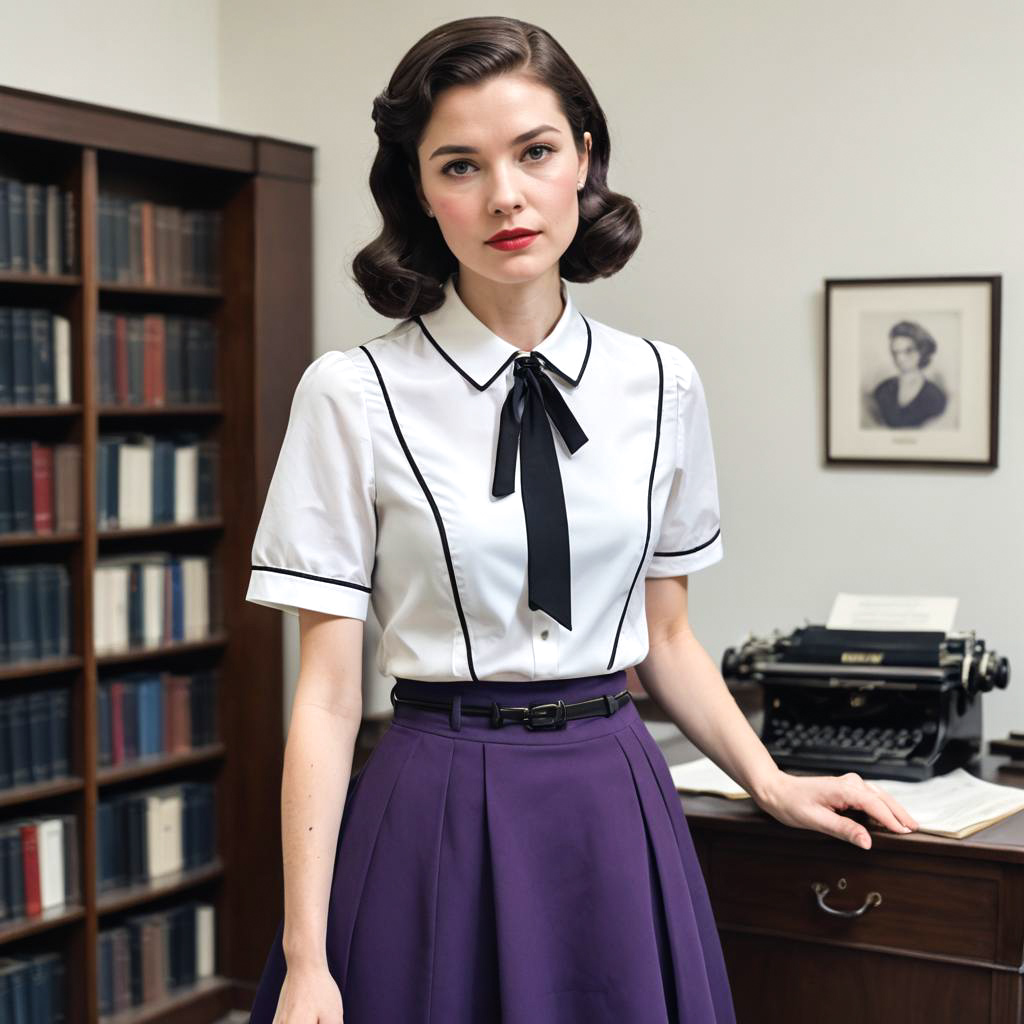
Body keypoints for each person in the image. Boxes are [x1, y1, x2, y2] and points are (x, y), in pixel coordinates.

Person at [244, 16, 920, 1023]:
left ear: (582, 159)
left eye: (535, 152)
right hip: (433, 797)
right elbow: (328, 697)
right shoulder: (353, 393)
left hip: (613, 792)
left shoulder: (662, 383)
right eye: (460, 165)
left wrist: (769, 781)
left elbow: (670, 636)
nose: (505, 195)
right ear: (423, 191)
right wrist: (307, 955)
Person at [870, 320, 948, 428]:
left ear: (922, 351)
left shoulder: (935, 397)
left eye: (908, 351)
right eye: (895, 352)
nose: (900, 358)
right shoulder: (882, 390)